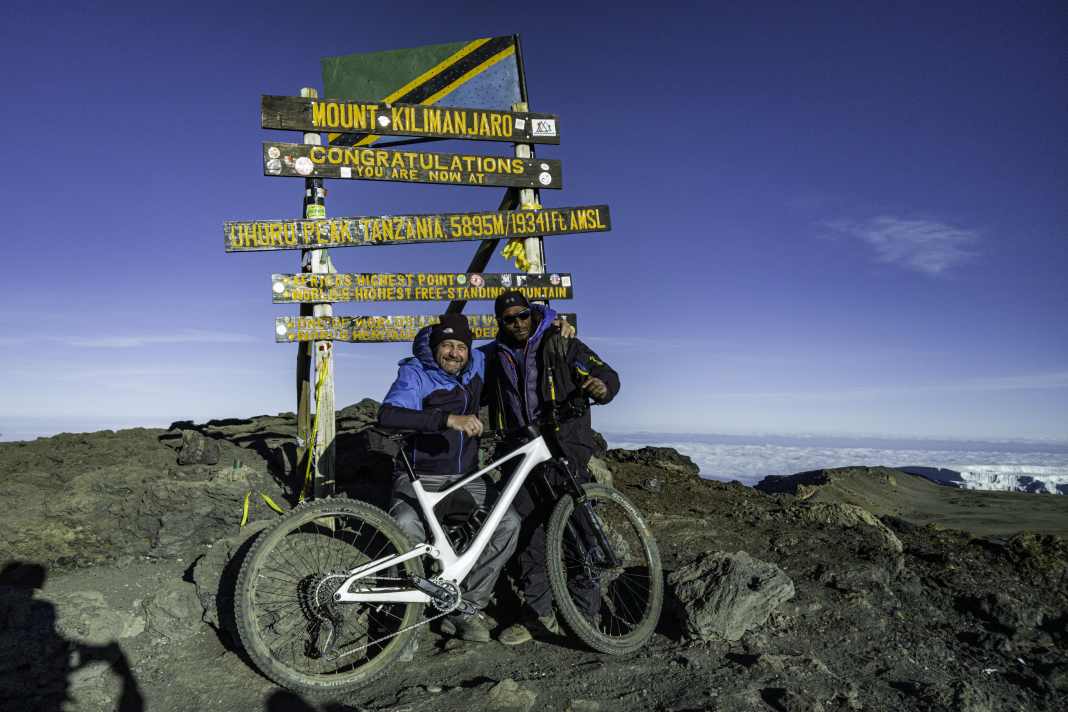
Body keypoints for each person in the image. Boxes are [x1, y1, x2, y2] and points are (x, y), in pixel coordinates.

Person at [479, 291, 620, 645]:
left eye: (523, 316)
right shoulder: (493, 355)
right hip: (520, 451)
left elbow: (607, 374)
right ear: (501, 322)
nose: (517, 324)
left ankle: (585, 618)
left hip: (563, 448)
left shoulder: (562, 342)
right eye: (509, 319)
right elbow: (445, 355)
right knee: (527, 535)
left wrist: (601, 387)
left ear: (533, 314)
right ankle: (537, 614)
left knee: (578, 533)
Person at [378, 313, 521, 644]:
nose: (455, 353)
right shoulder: (415, 372)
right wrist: (446, 419)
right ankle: (405, 619)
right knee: (404, 525)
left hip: (466, 477)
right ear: (435, 347)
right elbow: (388, 415)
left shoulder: (477, 365)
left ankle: (465, 607)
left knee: (508, 523)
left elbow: (518, 334)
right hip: (419, 478)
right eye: (447, 346)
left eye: (461, 346)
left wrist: (554, 320)